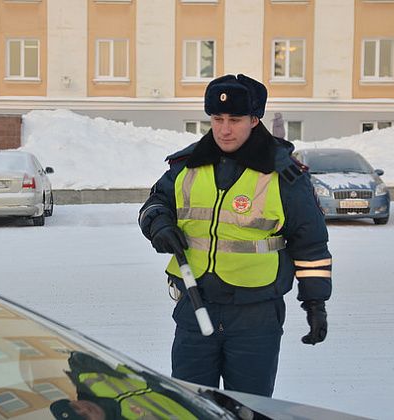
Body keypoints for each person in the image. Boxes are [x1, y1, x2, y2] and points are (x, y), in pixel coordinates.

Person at [138, 74, 331, 397]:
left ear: (255, 120)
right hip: (194, 307)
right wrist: (159, 225)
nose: (224, 129)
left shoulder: (284, 174)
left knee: (249, 409)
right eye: (217, 119)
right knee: (191, 406)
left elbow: (310, 242)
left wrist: (315, 302)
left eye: (235, 119)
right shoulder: (187, 165)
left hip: (255, 318)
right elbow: (154, 204)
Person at [49, 351, 212, 419]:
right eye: (84, 418)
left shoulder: (89, 380)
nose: (85, 409)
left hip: (209, 401)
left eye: (75, 407)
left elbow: (77, 356)